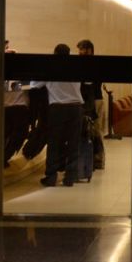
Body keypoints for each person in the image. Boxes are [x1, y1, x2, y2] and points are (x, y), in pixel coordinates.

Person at [31, 43, 84, 187]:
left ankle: (51, 177)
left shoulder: (50, 68)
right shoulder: (76, 67)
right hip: (76, 107)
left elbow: (34, 84)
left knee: (54, 143)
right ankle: (70, 177)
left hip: (58, 108)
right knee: (73, 143)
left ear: (54, 54)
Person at [76, 39, 105, 170]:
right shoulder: (83, 64)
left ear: (89, 50)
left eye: (82, 49)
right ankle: (88, 159)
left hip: (96, 100)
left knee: (96, 130)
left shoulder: (95, 64)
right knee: (86, 130)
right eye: (79, 50)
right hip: (84, 100)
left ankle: (98, 159)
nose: (80, 52)